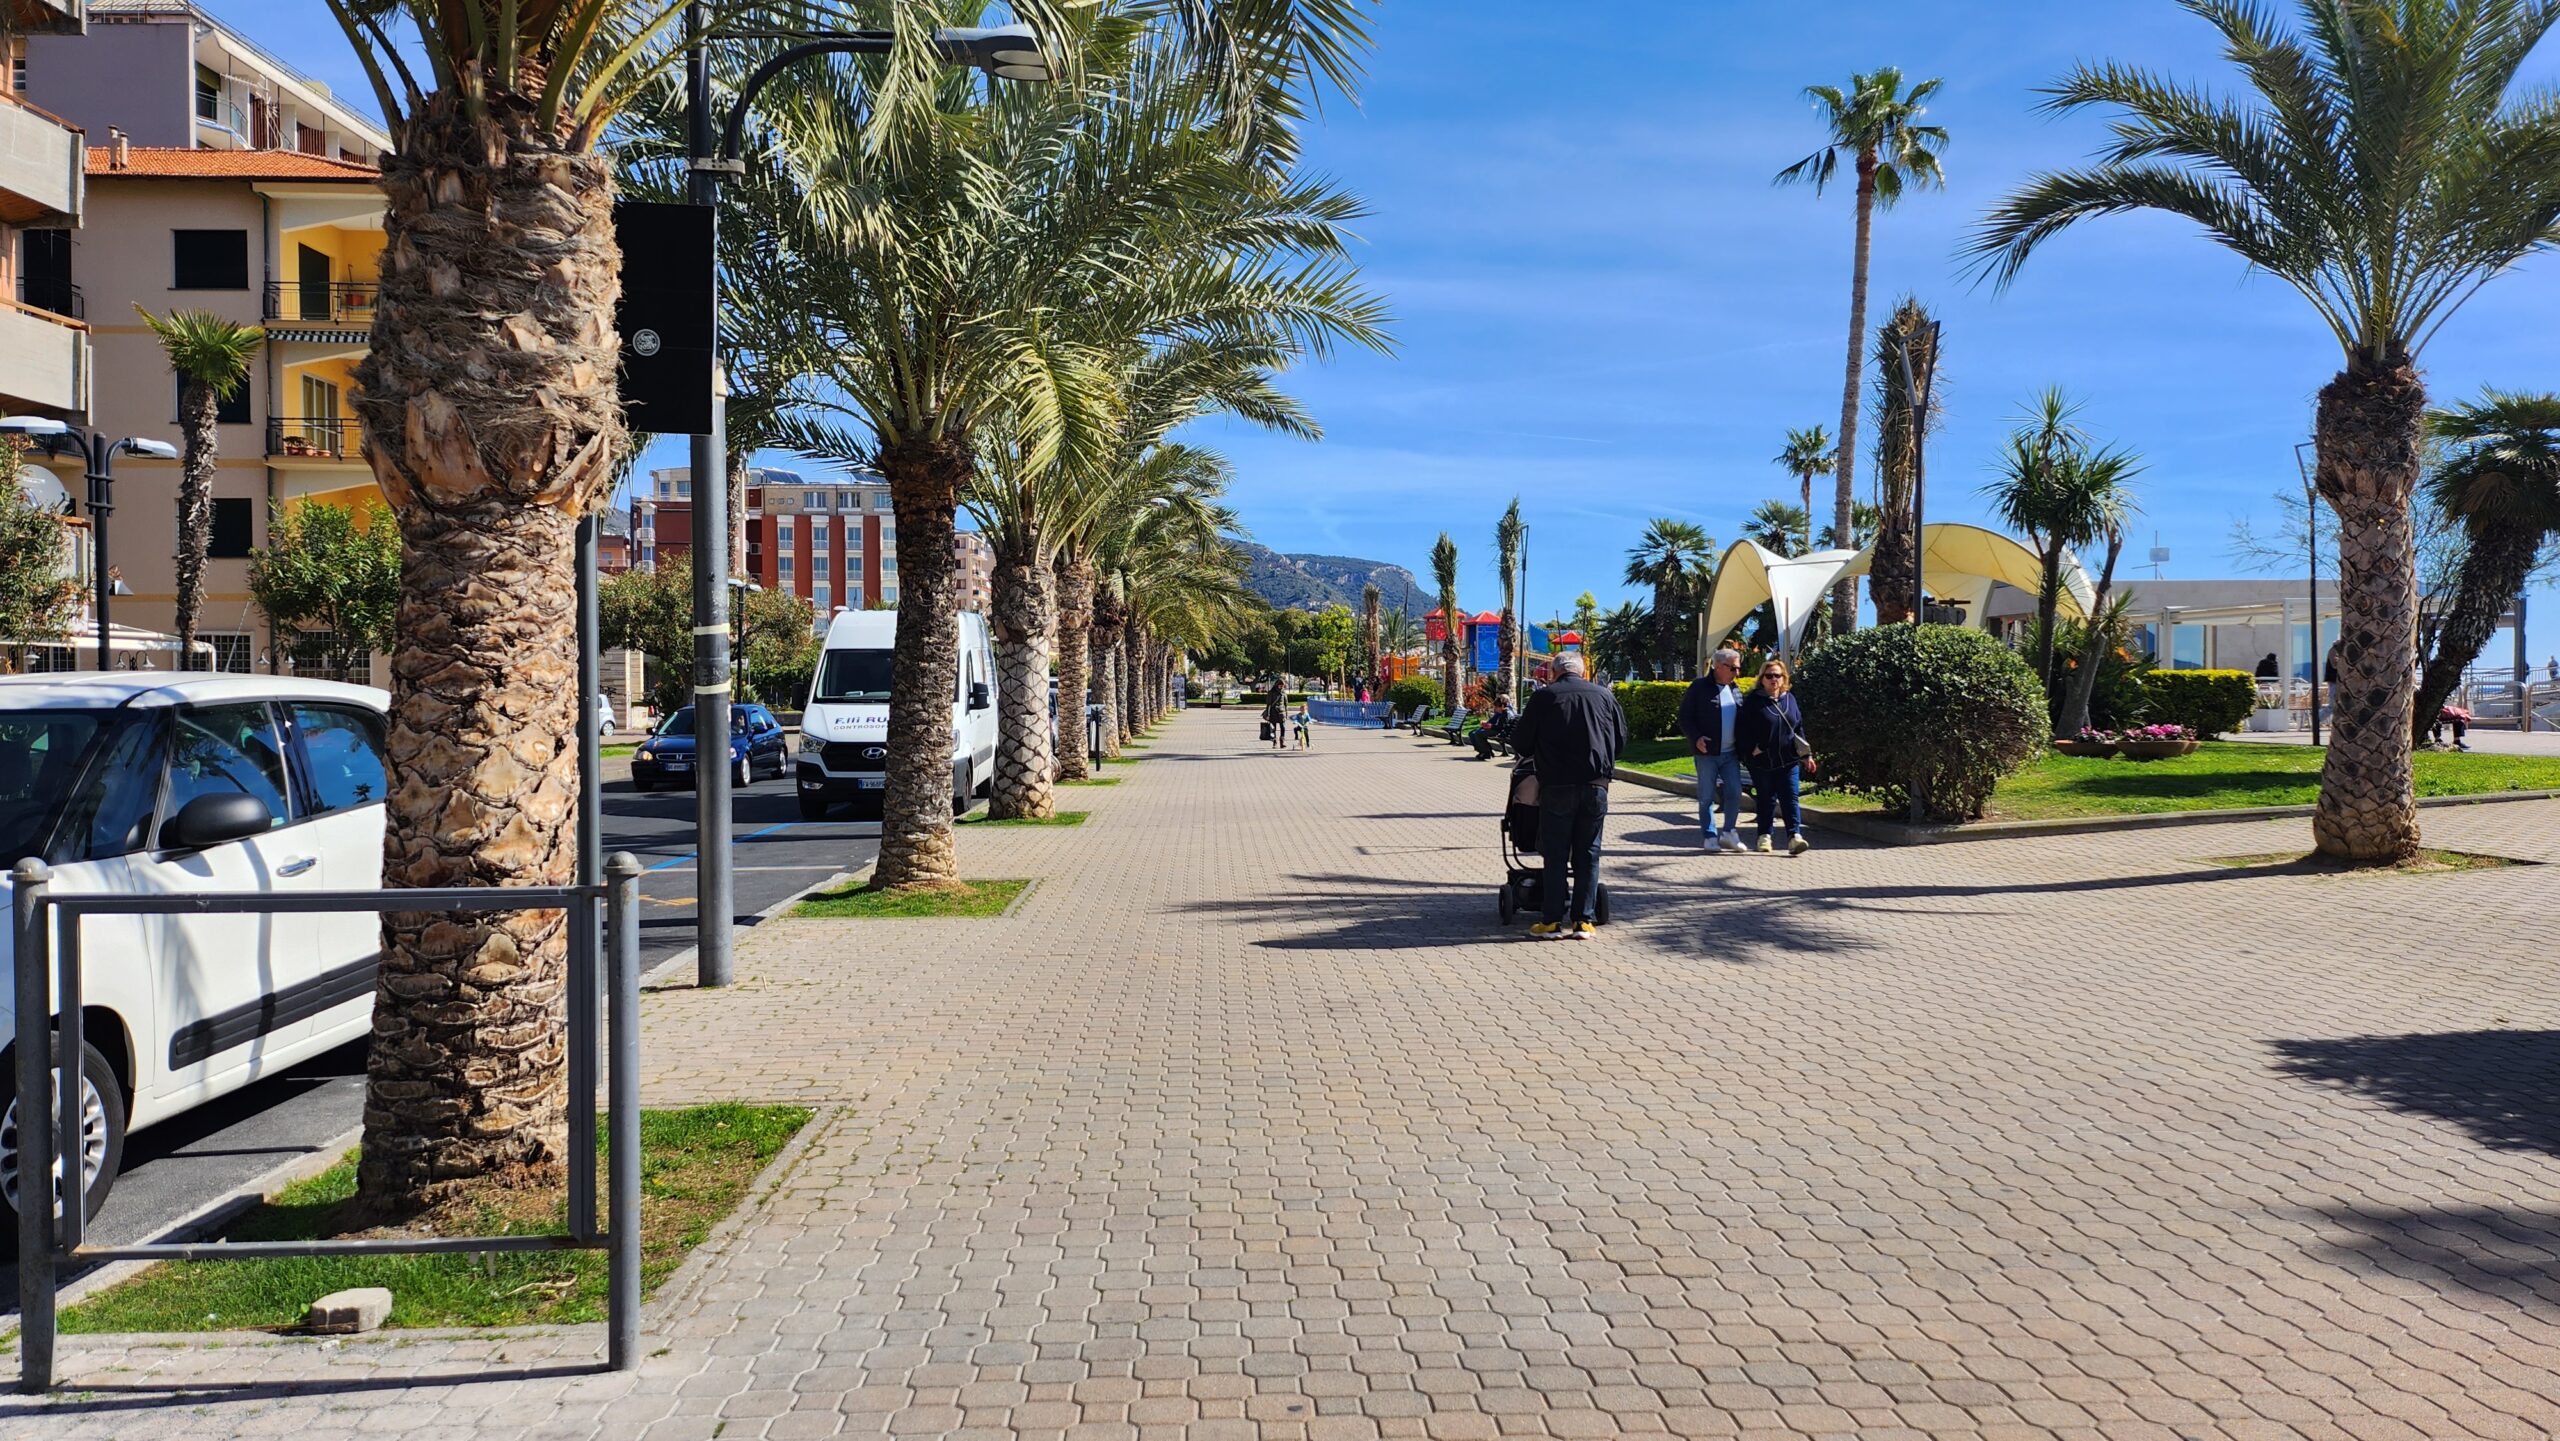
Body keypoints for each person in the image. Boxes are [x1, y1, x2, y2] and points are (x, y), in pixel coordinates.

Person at [1508, 652, 1628, 940]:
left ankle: (1551, 921)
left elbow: (1522, 742)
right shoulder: (1604, 696)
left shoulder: (1545, 698)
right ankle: (1583, 921)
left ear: (1554, 672)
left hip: (1557, 785)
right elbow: (1621, 738)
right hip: (1595, 784)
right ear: (1582, 671)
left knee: (1556, 852)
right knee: (1589, 852)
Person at [1736, 658, 1816, 856]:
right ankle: (1764, 835)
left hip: (1788, 759)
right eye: (1769, 676)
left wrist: (1807, 755)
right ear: (1762, 679)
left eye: (1777, 676)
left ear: (1784, 678)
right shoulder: (1753, 701)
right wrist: (1751, 749)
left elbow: (1798, 728)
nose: (1773, 680)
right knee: (1766, 799)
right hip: (1762, 762)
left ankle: (1794, 837)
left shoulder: (1790, 699)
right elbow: (1741, 730)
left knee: (1790, 798)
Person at [1678, 647, 1749, 853]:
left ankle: (1729, 832)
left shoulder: (1735, 689)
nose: (1737, 673)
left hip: (1730, 753)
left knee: (1735, 792)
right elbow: (1685, 717)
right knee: (1706, 796)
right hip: (1707, 753)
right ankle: (1709, 836)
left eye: (1738, 668)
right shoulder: (1699, 687)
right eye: (1733, 668)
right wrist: (1696, 737)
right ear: (1718, 666)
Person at [1264, 677, 1289, 751]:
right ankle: (1274, 742)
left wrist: (1286, 714)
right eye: (1280, 685)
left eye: (1283, 686)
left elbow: (1286, 704)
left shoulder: (1284, 693)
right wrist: (1268, 715)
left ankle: (1282, 742)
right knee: (1273, 728)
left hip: (1281, 713)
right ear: (1276, 685)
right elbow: (1268, 704)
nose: (1281, 687)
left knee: (1283, 728)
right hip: (1273, 712)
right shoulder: (1271, 692)